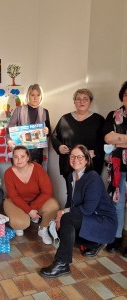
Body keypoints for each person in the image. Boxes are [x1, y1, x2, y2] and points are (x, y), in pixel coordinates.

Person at [40, 145, 117, 278]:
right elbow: (70, 202)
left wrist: (63, 214)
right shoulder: (71, 176)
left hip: (103, 221)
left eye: (80, 156)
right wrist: (60, 216)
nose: (75, 159)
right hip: (89, 218)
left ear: (87, 159)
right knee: (62, 227)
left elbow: (87, 209)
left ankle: (62, 264)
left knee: (67, 220)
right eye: (72, 156)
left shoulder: (93, 178)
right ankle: (94, 243)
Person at [51, 89, 105, 193]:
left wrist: (96, 152)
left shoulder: (98, 120)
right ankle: (70, 209)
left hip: (91, 164)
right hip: (69, 163)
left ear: (90, 102)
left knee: (90, 194)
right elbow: (54, 136)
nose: (82, 101)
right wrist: (59, 147)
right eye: (78, 99)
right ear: (74, 102)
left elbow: (105, 141)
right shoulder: (65, 119)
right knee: (72, 195)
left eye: (85, 99)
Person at [3, 146, 59, 243]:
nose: (19, 160)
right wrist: (29, 211)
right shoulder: (8, 173)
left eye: (22, 156)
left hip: (35, 200)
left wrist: (32, 208)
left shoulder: (37, 168)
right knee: (20, 223)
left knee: (54, 205)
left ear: (28, 157)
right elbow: (14, 196)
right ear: (13, 158)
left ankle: (43, 229)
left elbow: (47, 191)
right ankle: (25, 219)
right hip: (16, 202)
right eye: (16, 157)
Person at [104, 81, 127, 257]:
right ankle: (116, 236)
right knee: (117, 203)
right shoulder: (113, 115)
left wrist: (118, 139)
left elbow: (114, 139)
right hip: (118, 167)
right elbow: (107, 138)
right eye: (126, 95)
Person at [6, 84, 51, 165]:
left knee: (34, 175)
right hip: (20, 152)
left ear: (41, 97)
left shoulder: (44, 111)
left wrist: (47, 131)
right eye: (32, 95)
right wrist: (9, 141)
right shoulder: (19, 110)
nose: (35, 98)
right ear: (28, 95)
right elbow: (9, 128)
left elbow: (48, 132)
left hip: (36, 153)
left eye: (38, 95)